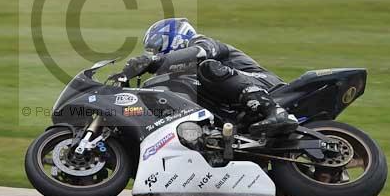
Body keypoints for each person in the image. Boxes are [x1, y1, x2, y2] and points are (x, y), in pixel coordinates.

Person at [115, 18, 299, 137]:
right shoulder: (183, 74)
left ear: (176, 37)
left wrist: (154, 60)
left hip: (267, 85)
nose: (156, 53)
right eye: (152, 51)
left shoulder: (203, 43)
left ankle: (275, 112)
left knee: (207, 67)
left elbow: (199, 53)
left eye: (157, 48)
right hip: (235, 105)